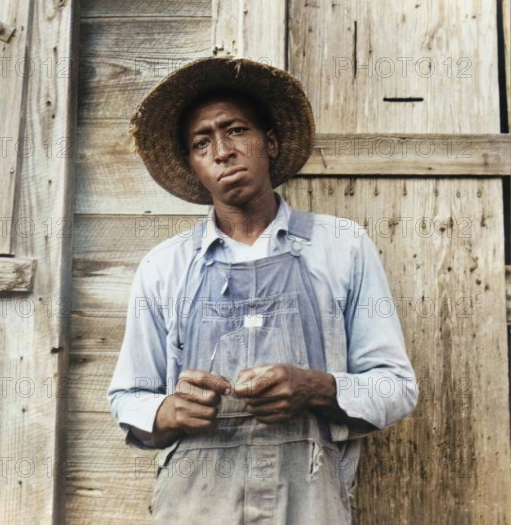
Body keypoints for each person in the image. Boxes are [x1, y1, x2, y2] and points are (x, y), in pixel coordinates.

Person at [107, 57, 418, 524]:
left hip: (308, 499)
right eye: (201, 142)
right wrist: (170, 411)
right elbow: (128, 396)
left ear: (269, 143)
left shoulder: (342, 247)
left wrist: (315, 387)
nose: (222, 151)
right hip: (195, 503)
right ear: (194, 166)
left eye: (235, 131)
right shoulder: (164, 267)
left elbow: (396, 388)